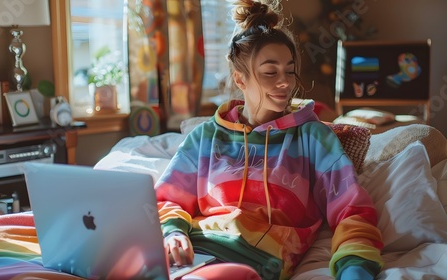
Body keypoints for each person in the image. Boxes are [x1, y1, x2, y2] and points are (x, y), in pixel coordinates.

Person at [155, 0, 384, 279]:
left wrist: (355, 270)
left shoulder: (312, 138)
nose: (285, 83)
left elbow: (352, 210)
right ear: (240, 79)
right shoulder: (205, 136)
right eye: (270, 72)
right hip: (191, 252)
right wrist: (173, 232)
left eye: (289, 71)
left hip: (256, 261)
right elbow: (166, 199)